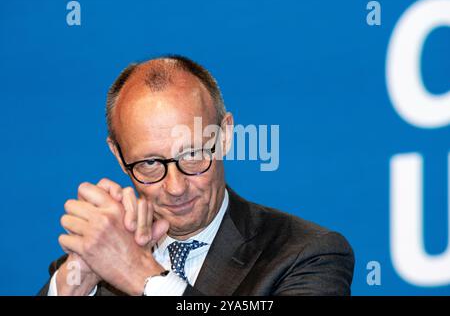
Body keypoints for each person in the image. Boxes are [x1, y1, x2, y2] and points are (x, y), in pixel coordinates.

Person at [38, 55, 354, 296]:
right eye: (149, 163)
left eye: (192, 155)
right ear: (119, 157)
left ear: (225, 136)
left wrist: (143, 277)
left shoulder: (306, 254)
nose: (175, 187)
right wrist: (76, 280)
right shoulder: (92, 263)